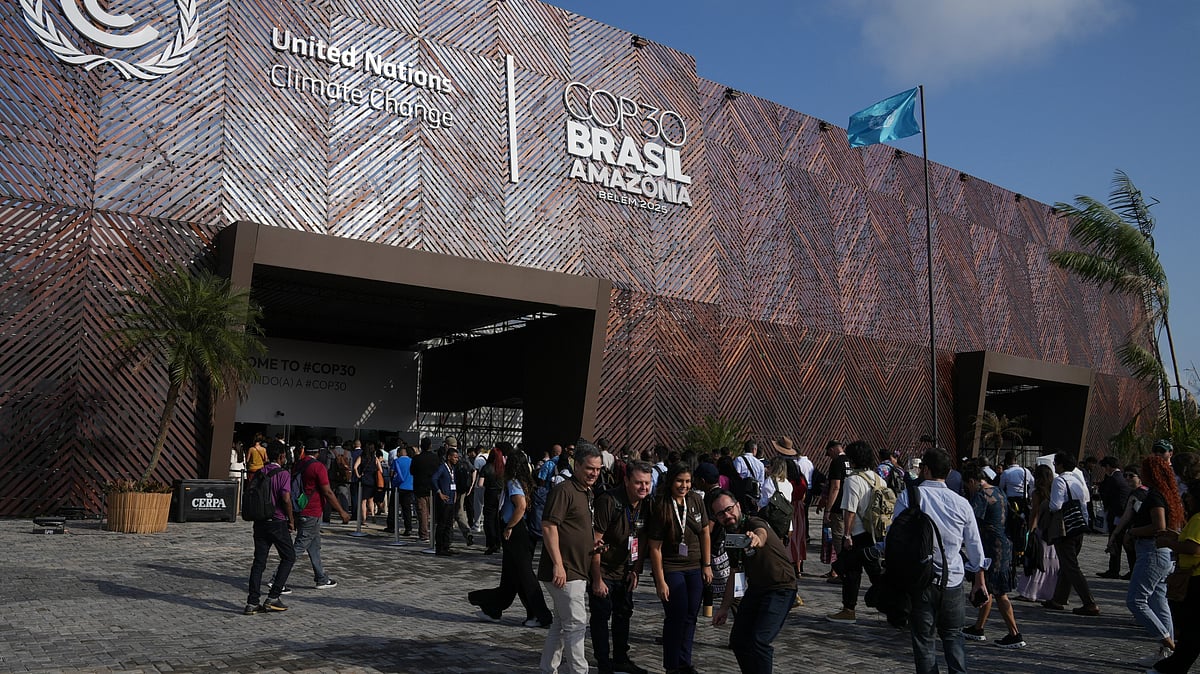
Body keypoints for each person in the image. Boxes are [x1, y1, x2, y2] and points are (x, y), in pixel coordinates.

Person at [893, 448, 987, 674]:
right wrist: (979, 581)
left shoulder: (909, 497)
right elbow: (975, 546)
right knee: (954, 637)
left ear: (925, 469)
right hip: (952, 579)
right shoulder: (961, 503)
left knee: (924, 642)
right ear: (949, 472)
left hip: (920, 579)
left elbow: (894, 537)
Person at [708, 489, 798, 673]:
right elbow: (735, 574)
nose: (727, 515)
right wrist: (724, 608)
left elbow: (761, 532)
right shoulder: (730, 537)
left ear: (738, 506)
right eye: (721, 514)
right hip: (757, 589)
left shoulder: (753, 522)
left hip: (780, 588)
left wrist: (757, 538)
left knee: (759, 641)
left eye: (729, 509)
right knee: (738, 640)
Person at [538, 441, 604, 674]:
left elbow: (574, 527)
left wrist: (591, 542)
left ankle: (548, 668)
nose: (594, 473)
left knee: (561, 623)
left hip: (577, 567)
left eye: (598, 469)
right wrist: (558, 564)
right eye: (589, 468)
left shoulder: (587, 492)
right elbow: (549, 526)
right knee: (576, 624)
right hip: (565, 570)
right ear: (577, 466)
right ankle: (579, 671)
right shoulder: (564, 490)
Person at [469, 449, 553, 627]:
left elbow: (520, 506)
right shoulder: (526, 481)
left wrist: (509, 527)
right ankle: (496, 608)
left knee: (524, 574)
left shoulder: (513, 482)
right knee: (512, 576)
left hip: (516, 531)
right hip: (521, 531)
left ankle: (540, 614)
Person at [589, 460, 654, 674]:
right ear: (626, 481)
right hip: (603, 569)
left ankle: (620, 658)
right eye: (638, 483)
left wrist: (636, 570)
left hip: (625, 569)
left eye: (647, 483)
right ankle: (603, 662)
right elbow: (595, 543)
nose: (643, 487)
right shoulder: (609, 501)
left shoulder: (646, 503)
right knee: (601, 615)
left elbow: (642, 539)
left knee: (623, 613)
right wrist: (597, 579)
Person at [647, 463, 711, 674]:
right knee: (677, 614)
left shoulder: (696, 500)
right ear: (671, 482)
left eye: (688, 481)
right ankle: (672, 664)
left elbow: (705, 532)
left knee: (691, 615)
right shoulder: (662, 505)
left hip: (695, 566)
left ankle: (684, 662)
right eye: (679, 481)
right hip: (672, 567)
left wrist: (707, 565)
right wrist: (660, 581)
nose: (684, 486)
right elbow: (655, 547)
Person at [272, 439, 352, 594]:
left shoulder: (299, 464)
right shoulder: (318, 467)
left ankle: (321, 578)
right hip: (312, 511)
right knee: (299, 547)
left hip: (301, 508)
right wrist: (342, 511)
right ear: (319, 452)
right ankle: (277, 580)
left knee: (314, 546)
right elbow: (327, 492)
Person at [1127, 454, 1185, 664]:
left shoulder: (1155, 496)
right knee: (1159, 601)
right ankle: (1166, 653)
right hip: (1162, 553)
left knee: (1136, 600)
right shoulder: (1169, 494)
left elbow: (1158, 526)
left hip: (1152, 551)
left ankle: (1168, 643)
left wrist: (1133, 531)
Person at [961, 461, 1026, 648]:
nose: (968, 489)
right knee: (988, 588)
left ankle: (1014, 633)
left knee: (999, 593)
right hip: (1004, 544)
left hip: (992, 547)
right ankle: (978, 628)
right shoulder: (998, 491)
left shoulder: (981, 496)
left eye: (968, 485)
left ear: (972, 481)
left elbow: (970, 521)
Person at [826, 440, 885, 623]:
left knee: (852, 572)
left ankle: (849, 609)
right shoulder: (878, 479)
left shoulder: (853, 480)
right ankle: (891, 604)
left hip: (857, 533)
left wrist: (847, 535)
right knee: (874, 571)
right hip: (875, 532)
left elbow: (850, 510)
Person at [1148, 480, 1200, 674]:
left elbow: (1193, 548)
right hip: (1193, 576)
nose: (1187, 500)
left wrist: (1168, 543)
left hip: (1195, 578)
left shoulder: (1198, 519)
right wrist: (1175, 537)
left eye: (1190, 496)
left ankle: (1173, 667)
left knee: (1191, 630)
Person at [1043, 451, 1100, 616]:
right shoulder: (1077, 480)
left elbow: (1055, 505)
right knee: (1067, 564)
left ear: (1060, 465)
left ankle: (1089, 602)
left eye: (1056, 463)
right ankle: (1058, 598)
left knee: (1071, 566)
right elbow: (1084, 504)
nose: (1054, 466)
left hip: (1065, 527)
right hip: (1078, 525)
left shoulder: (1059, 481)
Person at [244, 443, 294, 614]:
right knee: (288, 557)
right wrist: (291, 520)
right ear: (282, 456)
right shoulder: (283, 474)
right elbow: (286, 498)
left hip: (260, 522)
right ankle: (273, 597)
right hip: (277, 521)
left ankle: (252, 602)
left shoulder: (259, 472)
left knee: (259, 562)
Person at [1016, 464, 1059, 602]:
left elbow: (1035, 513)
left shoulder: (1037, 493)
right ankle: (1050, 592)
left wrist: (1030, 530)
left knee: (1036, 559)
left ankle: (1031, 591)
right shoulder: (1054, 490)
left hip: (1040, 529)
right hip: (1052, 530)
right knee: (1051, 561)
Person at [1096, 456, 1133, 578]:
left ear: (1107, 467)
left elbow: (1106, 494)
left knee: (1115, 541)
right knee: (1121, 542)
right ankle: (1121, 569)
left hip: (1117, 514)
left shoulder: (1113, 479)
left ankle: (1114, 570)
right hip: (1122, 513)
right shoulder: (1121, 477)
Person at [820, 440, 850, 580]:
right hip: (851, 507)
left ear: (832, 449)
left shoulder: (837, 462)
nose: (829, 457)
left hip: (838, 507)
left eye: (829, 454)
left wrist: (828, 510)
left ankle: (842, 572)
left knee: (838, 540)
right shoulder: (850, 461)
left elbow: (835, 487)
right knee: (848, 538)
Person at [432, 442, 462, 556]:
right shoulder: (442, 468)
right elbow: (434, 479)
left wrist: (455, 493)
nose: (456, 459)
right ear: (449, 457)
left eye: (457, 457)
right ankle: (439, 547)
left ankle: (446, 545)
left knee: (449, 524)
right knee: (442, 524)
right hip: (444, 500)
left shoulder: (453, 468)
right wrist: (439, 492)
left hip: (451, 499)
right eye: (455, 457)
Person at [480, 445, 508, 554]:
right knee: (499, 519)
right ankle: (499, 542)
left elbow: (480, 483)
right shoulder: (503, 468)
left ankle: (491, 543)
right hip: (501, 494)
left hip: (490, 493)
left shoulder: (486, 467)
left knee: (489, 519)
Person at [411, 437, 440, 542]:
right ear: (430, 446)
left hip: (420, 488)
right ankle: (435, 533)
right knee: (434, 512)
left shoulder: (416, 459)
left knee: (423, 512)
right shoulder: (436, 458)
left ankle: (424, 534)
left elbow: (412, 471)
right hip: (433, 487)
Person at [353, 443, 381, 523]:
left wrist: (358, 475)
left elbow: (355, 467)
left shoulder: (361, 457)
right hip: (372, 480)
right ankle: (373, 514)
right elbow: (380, 470)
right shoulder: (375, 458)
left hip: (364, 479)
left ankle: (364, 519)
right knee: (371, 499)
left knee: (363, 501)